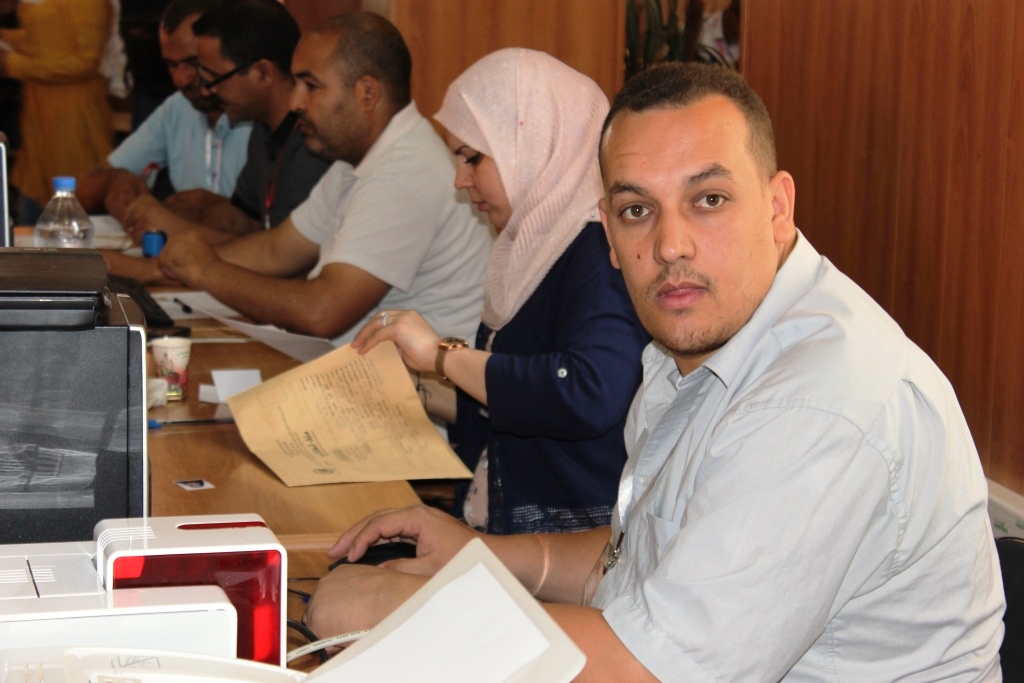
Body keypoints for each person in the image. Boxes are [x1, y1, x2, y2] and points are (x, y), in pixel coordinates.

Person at [304, 63, 1005, 681]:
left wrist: (413, 608)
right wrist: (480, 558)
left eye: (709, 200)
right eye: (637, 210)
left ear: (777, 207)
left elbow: (646, 669)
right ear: (608, 234)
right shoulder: (690, 348)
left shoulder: (819, 404)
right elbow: (639, 567)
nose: (670, 245)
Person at [351, 49, 648, 534]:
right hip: (502, 525)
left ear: (535, 144)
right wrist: (404, 385)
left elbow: (587, 391)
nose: (460, 179)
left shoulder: (600, 250)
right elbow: (508, 405)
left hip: (570, 545)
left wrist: (443, 356)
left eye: (472, 157)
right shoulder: (532, 246)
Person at [157, 12, 491, 346]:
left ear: (367, 92)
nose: (295, 102)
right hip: (369, 367)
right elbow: (276, 250)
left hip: (417, 378)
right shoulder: (359, 158)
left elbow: (321, 313)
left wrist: (207, 271)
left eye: (311, 86)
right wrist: (172, 264)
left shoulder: (405, 173)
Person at [119, 0, 330, 243]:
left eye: (215, 78)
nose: (207, 90)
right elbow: (246, 220)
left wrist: (172, 227)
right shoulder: (262, 129)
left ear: (263, 73)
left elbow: (282, 254)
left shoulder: (313, 143)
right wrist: (174, 212)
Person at [77, 0, 253, 223]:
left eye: (194, 63)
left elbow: (283, 227)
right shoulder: (178, 107)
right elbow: (84, 190)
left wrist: (226, 212)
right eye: (172, 65)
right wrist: (113, 181)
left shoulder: (260, 112)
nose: (181, 79)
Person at [0, 0, 114, 224]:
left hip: (73, 118)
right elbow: (42, 41)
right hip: (37, 120)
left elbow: (86, 63)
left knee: (74, 214)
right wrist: (7, 37)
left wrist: (12, 64)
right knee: (31, 216)